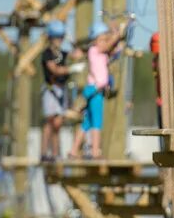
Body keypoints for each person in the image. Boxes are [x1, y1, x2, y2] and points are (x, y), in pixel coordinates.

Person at [68, 20, 127, 159]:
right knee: (97, 122)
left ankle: (74, 151)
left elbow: (114, 48)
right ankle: (95, 152)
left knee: (87, 123)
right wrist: (117, 35)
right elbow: (109, 45)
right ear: (95, 40)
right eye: (101, 39)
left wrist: (116, 34)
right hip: (95, 90)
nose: (104, 42)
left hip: (94, 90)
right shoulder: (95, 50)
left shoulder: (100, 52)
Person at [40, 21, 80, 162]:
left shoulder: (63, 53)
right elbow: (54, 70)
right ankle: (44, 153)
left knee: (57, 124)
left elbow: (77, 54)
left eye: (61, 37)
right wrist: (71, 69)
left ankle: (56, 154)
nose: (59, 40)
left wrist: (72, 40)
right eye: (57, 37)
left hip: (62, 90)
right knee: (50, 122)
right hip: (51, 90)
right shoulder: (47, 54)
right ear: (51, 38)